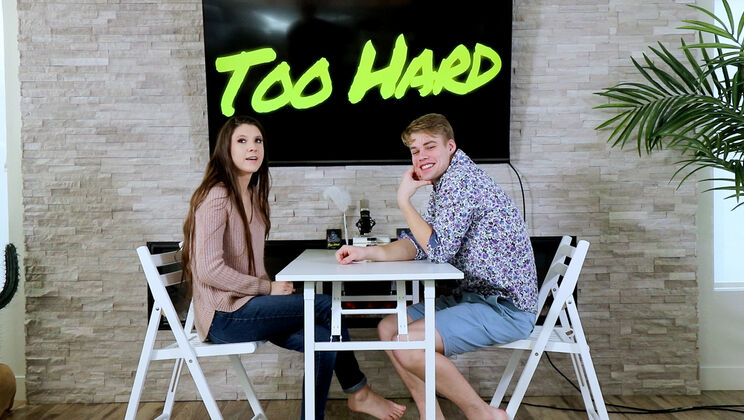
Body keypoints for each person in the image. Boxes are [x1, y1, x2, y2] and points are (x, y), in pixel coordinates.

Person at [181, 115, 406, 420]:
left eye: (258, 141)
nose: (252, 148)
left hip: (249, 306)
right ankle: (359, 391)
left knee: (325, 339)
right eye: (242, 141)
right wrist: (268, 288)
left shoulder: (251, 194)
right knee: (327, 305)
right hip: (225, 316)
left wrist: (275, 295)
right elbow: (208, 270)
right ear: (226, 149)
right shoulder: (217, 196)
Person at [335, 113, 538, 420]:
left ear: (450, 147)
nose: (421, 156)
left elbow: (438, 250)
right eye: (415, 151)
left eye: (430, 146)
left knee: (407, 344)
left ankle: (483, 414)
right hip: (474, 298)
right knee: (388, 327)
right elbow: (421, 243)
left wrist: (404, 201)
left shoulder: (461, 183)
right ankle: (431, 414)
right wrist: (368, 252)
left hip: (505, 309)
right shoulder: (446, 182)